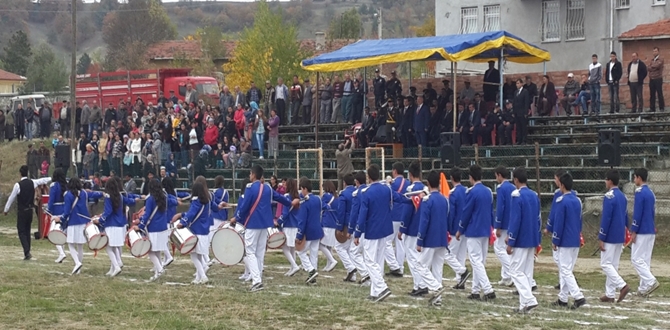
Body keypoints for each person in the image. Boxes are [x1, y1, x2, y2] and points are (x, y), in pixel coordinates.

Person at [233, 165, 297, 292]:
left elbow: (245, 207)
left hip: (252, 223)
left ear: (253, 174)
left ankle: (256, 281)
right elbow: (279, 197)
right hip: (265, 224)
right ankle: (258, 278)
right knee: (260, 252)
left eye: (250, 174)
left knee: (250, 251)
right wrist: (290, 203)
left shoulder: (250, 188)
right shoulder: (267, 188)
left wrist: (237, 218)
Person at [456, 165, 496, 301]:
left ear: (471, 177)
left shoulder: (471, 192)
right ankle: (475, 290)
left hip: (474, 230)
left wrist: (460, 229)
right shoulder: (488, 191)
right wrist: (492, 228)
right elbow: (491, 212)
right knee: (480, 261)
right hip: (485, 229)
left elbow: (466, 213)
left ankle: (488, 288)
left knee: (476, 261)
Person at [354, 164, 393, 303]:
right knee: (378, 260)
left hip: (372, 229)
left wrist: (357, 232)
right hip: (384, 228)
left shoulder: (366, 192)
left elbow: (363, 214)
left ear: (368, 177)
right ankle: (375, 291)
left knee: (370, 260)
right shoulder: (386, 189)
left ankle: (381, 287)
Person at [550, 172, 586, 309]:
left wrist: (555, 240)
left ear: (562, 185)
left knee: (565, 270)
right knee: (567, 269)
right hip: (575, 239)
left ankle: (578, 296)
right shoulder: (577, 200)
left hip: (565, 240)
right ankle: (563, 298)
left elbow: (559, 223)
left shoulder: (561, 201)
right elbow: (579, 220)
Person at [506, 167, 540, 314]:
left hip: (520, 239)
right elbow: (538, 219)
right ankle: (524, 305)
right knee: (526, 272)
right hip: (532, 237)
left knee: (515, 270)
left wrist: (511, 240)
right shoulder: (534, 195)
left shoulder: (516, 195)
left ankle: (529, 298)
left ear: (516, 180)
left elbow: (515, 219)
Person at [415, 170, 450, 306]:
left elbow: (424, 222)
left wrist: (419, 240)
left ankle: (436, 287)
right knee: (437, 268)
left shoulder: (427, 200)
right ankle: (437, 299)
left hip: (430, 238)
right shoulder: (444, 199)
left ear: (428, 184)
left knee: (420, 265)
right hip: (441, 237)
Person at [56, 177, 103, 275]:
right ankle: (79, 268)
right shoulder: (84, 193)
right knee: (80, 246)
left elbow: (67, 211)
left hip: (73, 222)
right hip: (83, 222)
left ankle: (77, 263)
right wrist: (102, 193)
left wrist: (61, 219)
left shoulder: (68, 195)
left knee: (70, 244)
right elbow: (94, 194)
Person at [3, 165, 52, 260]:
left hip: (22, 211)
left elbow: (11, 198)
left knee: (21, 231)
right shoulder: (32, 182)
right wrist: (51, 178)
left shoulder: (18, 185)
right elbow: (43, 180)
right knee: (27, 230)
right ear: (27, 173)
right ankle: (27, 251)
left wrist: (6, 210)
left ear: (20, 173)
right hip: (30, 211)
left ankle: (26, 251)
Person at [172, 181, 214, 284]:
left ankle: (203, 276)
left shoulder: (196, 201)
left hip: (196, 230)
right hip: (204, 231)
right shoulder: (207, 201)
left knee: (194, 256)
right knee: (198, 255)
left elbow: (191, 214)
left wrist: (182, 223)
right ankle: (198, 278)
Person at [96, 177, 139, 277]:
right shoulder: (119, 195)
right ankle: (113, 268)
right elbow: (128, 201)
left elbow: (108, 211)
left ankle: (116, 266)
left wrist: (100, 220)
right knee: (114, 246)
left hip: (111, 224)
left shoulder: (107, 196)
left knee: (108, 247)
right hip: (120, 224)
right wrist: (135, 199)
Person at [598, 170, 630, 303]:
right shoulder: (623, 196)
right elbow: (626, 215)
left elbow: (606, 218)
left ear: (610, 181)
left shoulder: (609, 196)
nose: (605, 182)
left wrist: (602, 236)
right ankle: (610, 293)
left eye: (606, 180)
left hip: (610, 234)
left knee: (605, 264)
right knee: (613, 264)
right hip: (619, 234)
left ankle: (622, 285)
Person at [630, 168, 660, 297]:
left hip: (642, 230)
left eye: (635, 177)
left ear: (638, 178)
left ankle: (650, 280)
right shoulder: (651, 193)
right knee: (645, 260)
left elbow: (638, 213)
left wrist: (634, 230)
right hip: (650, 229)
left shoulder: (639, 192)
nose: (634, 180)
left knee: (636, 259)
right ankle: (643, 288)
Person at [444, 167, 470, 289]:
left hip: (455, 228)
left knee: (448, 254)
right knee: (461, 255)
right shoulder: (466, 191)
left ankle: (461, 271)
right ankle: (461, 281)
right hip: (465, 227)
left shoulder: (453, 193)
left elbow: (452, 213)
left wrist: (449, 228)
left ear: (451, 179)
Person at [295, 177, 324, 284]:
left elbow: (302, 221)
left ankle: (311, 270)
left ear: (305, 189)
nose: (301, 192)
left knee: (300, 252)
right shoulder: (318, 199)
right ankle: (313, 276)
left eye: (301, 189)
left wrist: (299, 235)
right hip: (317, 229)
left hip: (308, 231)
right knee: (314, 253)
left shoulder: (304, 202)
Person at [335, 173, 360, 282]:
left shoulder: (344, 194)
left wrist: (339, 227)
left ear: (344, 183)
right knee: (350, 249)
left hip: (346, 224)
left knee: (339, 247)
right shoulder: (357, 192)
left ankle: (350, 268)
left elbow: (341, 212)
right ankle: (352, 276)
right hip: (356, 223)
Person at [493, 166, 515, 287]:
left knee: (499, 248)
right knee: (506, 249)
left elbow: (500, 207)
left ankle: (510, 273)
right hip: (511, 221)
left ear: (500, 175)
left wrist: (498, 225)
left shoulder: (501, 188)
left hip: (504, 222)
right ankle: (505, 276)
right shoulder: (512, 187)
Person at [386, 162, 408, 277]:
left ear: (394, 171)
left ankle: (394, 266)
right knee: (400, 243)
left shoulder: (393, 184)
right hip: (404, 216)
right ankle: (400, 266)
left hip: (394, 215)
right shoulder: (408, 183)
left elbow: (390, 196)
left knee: (387, 242)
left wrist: (388, 185)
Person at [277, 178, 301, 277]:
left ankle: (294, 266)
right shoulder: (297, 197)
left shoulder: (287, 196)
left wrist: (279, 221)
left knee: (285, 247)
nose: (284, 186)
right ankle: (293, 268)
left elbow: (285, 212)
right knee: (292, 248)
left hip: (288, 224)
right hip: (295, 224)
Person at [47, 168, 68, 263]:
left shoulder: (54, 186)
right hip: (65, 211)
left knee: (53, 233)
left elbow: (51, 200)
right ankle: (61, 253)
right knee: (61, 233)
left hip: (56, 211)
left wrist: (48, 209)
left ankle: (61, 253)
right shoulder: (66, 185)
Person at [320, 181, 340, 272]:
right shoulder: (337, 198)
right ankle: (328, 265)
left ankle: (332, 261)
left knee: (321, 244)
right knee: (329, 245)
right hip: (334, 223)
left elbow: (321, 206)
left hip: (327, 222)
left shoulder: (326, 196)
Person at [513, 79, 530, 145]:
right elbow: (514, 102)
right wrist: (514, 112)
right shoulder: (515, 92)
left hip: (522, 112)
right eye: (516, 83)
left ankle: (524, 140)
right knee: (518, 127)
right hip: (517, 112)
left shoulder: (525, 92)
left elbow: (526, 102)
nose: (517, 85)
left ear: (521, 84)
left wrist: (525, 112)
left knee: (523, 127)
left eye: (518, 83)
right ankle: (519, 140)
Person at [649, 47, 665, 112]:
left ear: (658, 52)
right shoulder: (652, 60)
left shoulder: (661, 59)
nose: (654, 52)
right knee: (652, 94)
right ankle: (652, 108)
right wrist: (652, 67)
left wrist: (652, 67)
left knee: (659, 93)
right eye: (653, 51)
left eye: (655, 51)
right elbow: (648, 67)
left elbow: (656, 66)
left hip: (658, 78)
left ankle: (661, 108)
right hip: (651, 79)